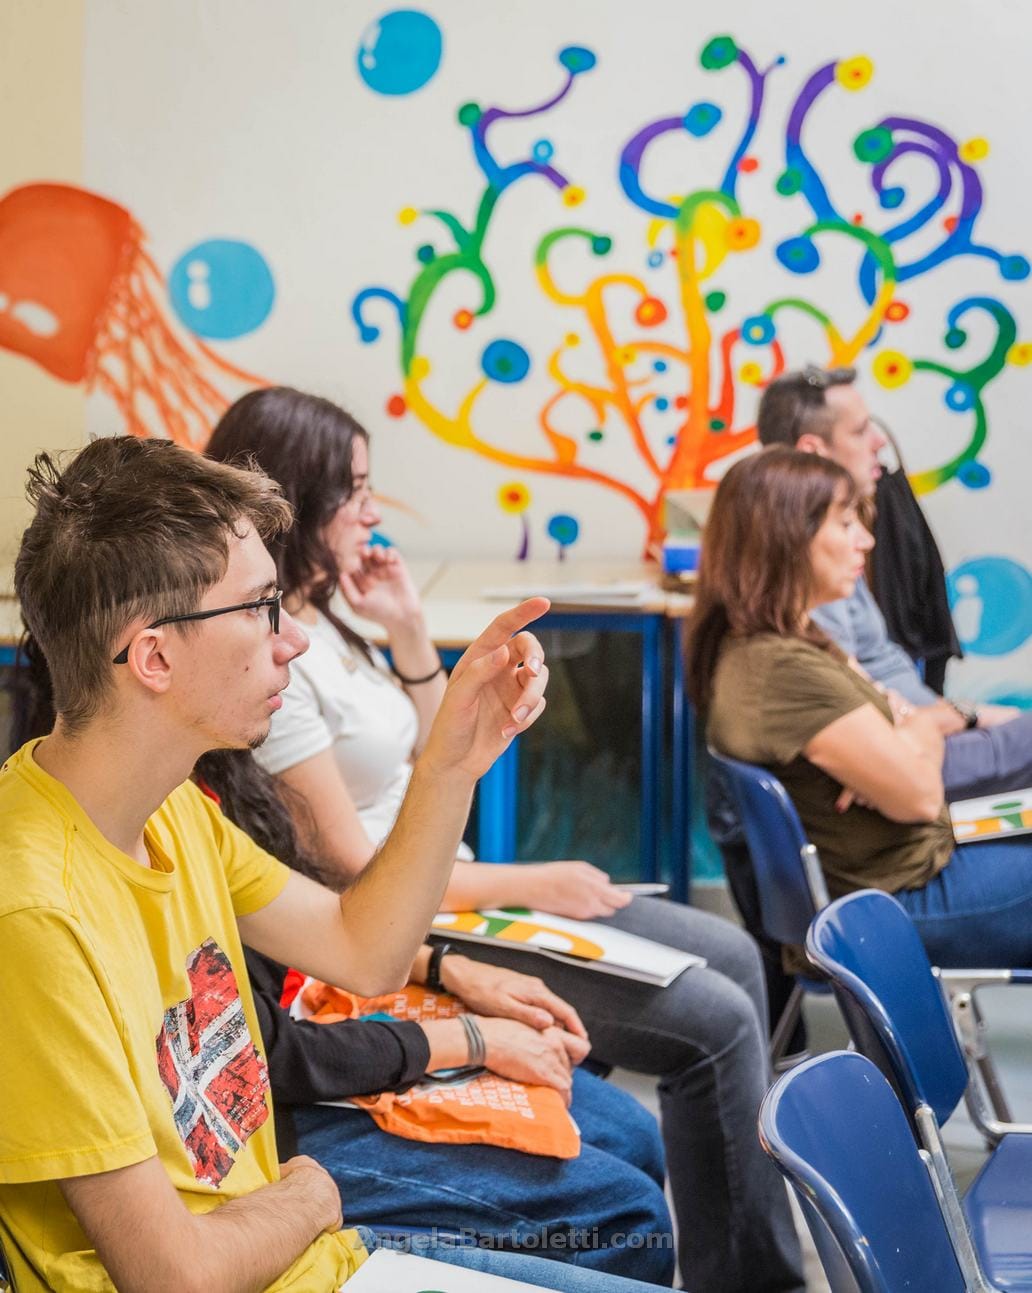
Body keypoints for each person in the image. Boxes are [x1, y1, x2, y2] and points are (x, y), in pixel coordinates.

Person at [0, 433, 670, 1293]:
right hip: (284, 1249)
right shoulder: (35, 913)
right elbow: (175, 1278)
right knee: (624, 1224)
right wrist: (313, 1195)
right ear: (154, 656)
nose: (292, 642)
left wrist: (452, 764)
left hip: (301, 1252)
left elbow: (365, 947)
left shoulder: (166, 807)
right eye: (256, 609)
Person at [205, 386, 806, 1293]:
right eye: (353, 489)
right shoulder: (267, 665)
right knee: (713, 1029)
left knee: (733, 961)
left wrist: (410, 633)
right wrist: (529, 889)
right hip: (417, 907)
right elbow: (357, 883)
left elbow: (446, 752)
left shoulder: (322, 622)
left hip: (437, 898)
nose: (371, 511)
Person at [195, 749, 676, 1285]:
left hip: (337, 989)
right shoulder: (173, 807)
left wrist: (444, 968)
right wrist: (472, 1037)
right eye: (267, 654)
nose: (292, 658)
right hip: (280, 1106)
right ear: (156, 661)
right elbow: (274, 1052)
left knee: (633, 1132)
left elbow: (326, 925)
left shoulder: (207, 798)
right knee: (625, 1209)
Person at [687, 445, 1032, 970]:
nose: (865, 541)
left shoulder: (775, 643)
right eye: (846, 523)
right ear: (787, 536)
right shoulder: (786, 670)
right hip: (898, 897)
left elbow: (899, 725)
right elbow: (918, 796)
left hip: (894, 878)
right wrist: (921, 731)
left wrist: (902, 736)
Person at [756, 365, 1032, 803]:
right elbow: (868, 717)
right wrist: (958, 718)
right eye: (861, 430)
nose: (880, 442)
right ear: (813, 451)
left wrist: (955, 718)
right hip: (912, 760)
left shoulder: (830, 548)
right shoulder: (807, 566)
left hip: (926, 736)